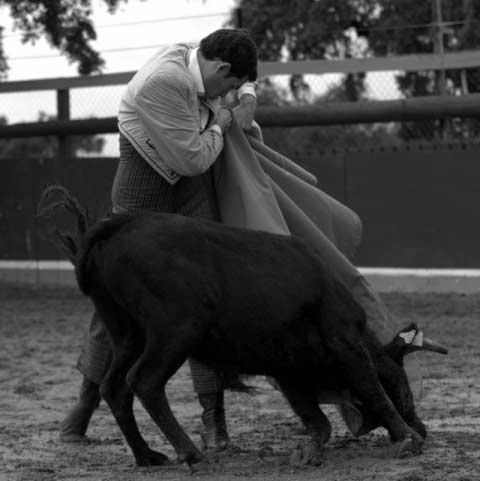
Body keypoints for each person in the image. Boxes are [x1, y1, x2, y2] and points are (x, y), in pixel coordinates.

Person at [60, 28, 259, 451]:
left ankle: (214, 422)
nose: (232, 91)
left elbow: (241, 80)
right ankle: (83, 406)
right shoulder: (163, 80)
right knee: (116, 298)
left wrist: (248, 96)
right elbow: (192, 159)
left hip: (187, 189)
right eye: (233, 83)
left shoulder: (201, 56)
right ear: (220, 68)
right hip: (145, 185)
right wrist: (224, 121)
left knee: (208, 295)